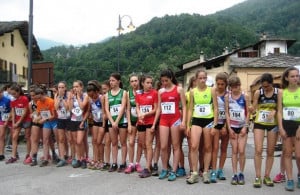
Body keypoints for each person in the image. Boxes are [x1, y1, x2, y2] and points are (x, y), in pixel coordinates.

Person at [153, 69, 186, 181]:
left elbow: (184, 107)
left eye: (166, 80)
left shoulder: (179, 89)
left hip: (175, 120)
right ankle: (165, 169)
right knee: (163, 146)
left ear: (171, 78)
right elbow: (158, 109)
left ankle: (174, 170)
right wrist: (154, 124)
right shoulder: (161, 92)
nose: (164, 83)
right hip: (164, 120)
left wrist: (184, 121)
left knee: (176, 146)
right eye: (162, 81)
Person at [186, 70, 218, 184]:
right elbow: (190, 109)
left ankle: (205, 172)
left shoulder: (212, 90)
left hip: (208, 121)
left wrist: (215, 124)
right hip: (196, 120)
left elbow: (216, 108)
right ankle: (194, 172)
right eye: (200, 78)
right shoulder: (192, 91)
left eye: (204, 78)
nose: (202, 80)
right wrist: (187, 125)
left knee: (208, 147)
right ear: (196, 79)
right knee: (194, 146)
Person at [251, 73, 279, 187]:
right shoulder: (258, 92)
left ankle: (267, 176)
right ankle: (258, 176)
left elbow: (281, 107)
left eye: (267, 87)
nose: (265, 89)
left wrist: (275, 111)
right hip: (260, 122)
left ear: (271, 84)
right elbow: (254, 108)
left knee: (270, 151)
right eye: (263, 86)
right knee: (258, 150)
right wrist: (251, 109)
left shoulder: (278, 93)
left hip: (272, 123)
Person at [277, 66, 300, 191]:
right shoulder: (281, 92)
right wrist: (280, 127)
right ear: (287, 78)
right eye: (292, 76)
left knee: (298, 154)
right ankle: (290, 179)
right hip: (286, 125)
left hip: (298, 126)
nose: (295, 78)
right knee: (287, 153)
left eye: (297, 76)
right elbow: (279, 111)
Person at [225, 76, 250, 185]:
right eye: (233, 87)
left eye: (238, 86)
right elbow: (226, 112)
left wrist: (246, 126)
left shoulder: (245, 96)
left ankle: (241, 173)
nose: (236, 88)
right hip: (232, 126)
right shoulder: (227, 97)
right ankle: (234, 174)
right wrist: (229, 127)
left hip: (242, 126)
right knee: (234, 151)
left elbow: (249, 112)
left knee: (241, 150)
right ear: (230, 87)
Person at [104, 73, 128, 172]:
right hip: (111, 122)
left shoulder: (124, 93)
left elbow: (122, 108)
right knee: (113, 143)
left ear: (118, 81)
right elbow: (107, 109)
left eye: (113, 80)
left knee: (122, 143)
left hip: (121, 121)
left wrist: (117, 121)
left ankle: (123, 163)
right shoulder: (107, 95)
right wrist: (112, 122)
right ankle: (114, 163)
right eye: (110, 81)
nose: (111, 82)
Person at [136, 75, 158, 178]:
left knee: (148, 144)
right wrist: (139, 115)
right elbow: (137, 107)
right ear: (142, 83)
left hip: (150, 121)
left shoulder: (154, 93)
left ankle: (148, 168)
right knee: (143, 144)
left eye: (151, 83)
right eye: (147, 83)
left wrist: (145, 114)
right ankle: (149, 164)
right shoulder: (138, 94)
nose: (150, 85)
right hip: (141, 122)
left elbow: (155, 109)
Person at [6, 84, 31, 164]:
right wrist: (13, 122)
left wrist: (18, 122)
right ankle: (13, 156)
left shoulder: (24, 99)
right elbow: (13, 111)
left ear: (19, 92)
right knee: (14, 137)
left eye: (14, 94)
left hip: (26, 119)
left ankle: (28, 154)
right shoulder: (13, 100)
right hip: (17, 120)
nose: (13, 95)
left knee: (27, 137)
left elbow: (25, 112)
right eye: (12, 94)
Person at [67, 80, 90, 168]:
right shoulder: (73, 96)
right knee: (76, 142)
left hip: (82, 120)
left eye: (77, 86)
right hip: (73, 120)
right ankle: (79, 158)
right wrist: (70, 98)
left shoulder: (85, 96)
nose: (75, 88)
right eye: (74, 87)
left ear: (81, 87)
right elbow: (69, 109)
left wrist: (78, 97)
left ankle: (84, 158)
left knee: (80, 141)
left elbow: (82, 106)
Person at [34, 86, 58, 167]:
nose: (39, 99)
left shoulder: (50, 101)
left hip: (53, 121)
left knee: (58, 139)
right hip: (47, 122)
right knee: (45, 140)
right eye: (37, 98)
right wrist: (36, 118)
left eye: (40, 97)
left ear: (42, 94)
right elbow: (39, 114)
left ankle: (62, 155)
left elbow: (54, 115)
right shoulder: (38, 102)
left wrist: (45, 119)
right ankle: (45, 159)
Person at [86, 80, 105, 170]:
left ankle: (102, 160)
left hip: (102, 122)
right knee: (94, 141)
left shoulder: (101, 98)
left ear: (96, 92)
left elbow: (105, 112)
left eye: (93, 95)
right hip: (95, 122)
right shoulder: (90, 99)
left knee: (99, 142)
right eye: (90, 95)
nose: (92, 97)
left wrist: (104, 125)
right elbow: (89, 110)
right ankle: (95, 159)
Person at [214, 72, 229, 181]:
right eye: (218, 84)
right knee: (214, 148)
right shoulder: (212, 93)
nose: (220, 86)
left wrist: (224, 126)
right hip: (215, 124)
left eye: (222, 84)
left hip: (225, 124)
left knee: (223, 148)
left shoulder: (228, 95)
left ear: (226, 84)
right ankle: (213, 170)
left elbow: (228, 111)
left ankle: (220, 169)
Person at [124, 74, 139, 174]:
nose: (134, 83)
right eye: (132, 81)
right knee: (131, 142)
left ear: (139, 81)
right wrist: (129, 123)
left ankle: (138, 163)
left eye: (136, 80)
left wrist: (139, 120)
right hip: (132, 121)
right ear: (130, 83)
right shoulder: (128, 93)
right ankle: (131, 163)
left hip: (142, 121)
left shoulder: (142, 92)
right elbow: (128, 109)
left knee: (142, 143)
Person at [54, 81, 70, 167]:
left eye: (62, 87)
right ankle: (62, 157)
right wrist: (58, 98)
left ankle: (70, 155)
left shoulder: (68, 95)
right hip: (60, 118)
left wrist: (63, 98)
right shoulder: (56, 95)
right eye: (59, 87)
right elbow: (55, 107)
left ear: (65, 88)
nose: (60, 89)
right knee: (61, 139)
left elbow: (68, 107)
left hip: (68, 118)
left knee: (69, 138)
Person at [100, 80, 111, 170]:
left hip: (118, 121)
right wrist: (104, 125)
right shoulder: (103, 98)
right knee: (106, 143)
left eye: (105, 89)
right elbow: (104, 112)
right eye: (102, 89)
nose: (103, 91)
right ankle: (106, 162)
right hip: (107, 122)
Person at [0, 87, 11, 161]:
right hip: (1, 118)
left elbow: (12, 111)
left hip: (6, 119)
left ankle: (1, 153)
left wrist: (7, 120)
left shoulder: (7, 100)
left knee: (2, 136)